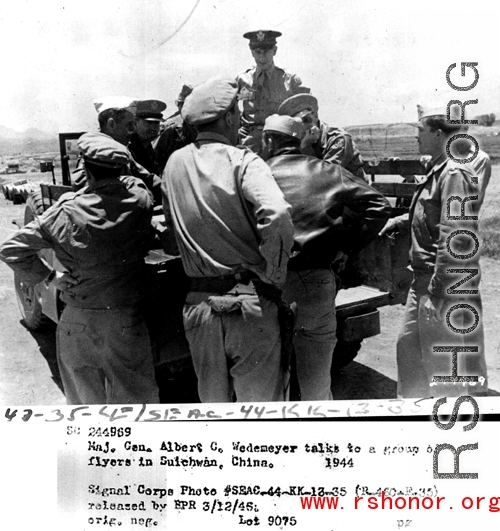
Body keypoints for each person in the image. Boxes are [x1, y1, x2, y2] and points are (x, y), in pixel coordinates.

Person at [0, 132, 159, 404]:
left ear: (85, 170)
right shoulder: (140, 201)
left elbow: (10, 248)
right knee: (136, 406)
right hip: (125, 318)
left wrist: (51, 276)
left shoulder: (64, 210)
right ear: (121, 169)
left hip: (79, 320)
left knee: (85, 410)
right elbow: (140, 183)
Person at [162, 77, 294, 403]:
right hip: (247, 305)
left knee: (214, 413)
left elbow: (170, 227)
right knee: (262, 417)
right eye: (238, 111)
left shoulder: (174, 163)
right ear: (230, 116)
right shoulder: (243, 160)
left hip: (199, 308)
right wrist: (272, 274)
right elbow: (276, 215)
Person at [262, 114, 391, 401]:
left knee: (268, 385)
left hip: (266, 285)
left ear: (268, 140)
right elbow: (378, 205)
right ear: (300, 140)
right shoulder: (326, 170)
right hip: (315, 282)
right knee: (316, 383)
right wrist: (346, 246)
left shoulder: (256, 173)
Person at [387, 104, 488, 398]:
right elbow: (433, 215)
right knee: (408, 352)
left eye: (421, 131)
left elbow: (456, 237)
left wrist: (438, 292)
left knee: (443, 368)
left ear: (440, 134)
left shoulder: (455, 173)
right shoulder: (440, 169)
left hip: (440, 284)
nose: (417, 137)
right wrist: (401, 219)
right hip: (423, 281)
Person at [71, 96, 162, 203]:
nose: (133, 130)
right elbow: (84, 187)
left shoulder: (122, 152)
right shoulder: (93, 153)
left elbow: (149, 179)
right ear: (111, 125)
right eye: (129, 125)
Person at [236, 29, 310, 154]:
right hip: (249, 142)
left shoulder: (290, 80)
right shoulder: (242, 79)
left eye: (266, 51)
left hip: (280, 142)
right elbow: (227, 106)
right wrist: (236, 127)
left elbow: (308, 109)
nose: (262, 57)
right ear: (251, 52)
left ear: (274, 50)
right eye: (257, 52)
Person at [278, 93, 367, 180]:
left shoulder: (338, 139)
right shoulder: (298, 139)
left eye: (305, 120)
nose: (302, 126)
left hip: (353, 192)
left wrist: (306, 147)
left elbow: (326, 177)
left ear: (315, 115)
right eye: (296, 124)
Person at [153, 84, 197, 173]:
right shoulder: (170, 127)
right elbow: (155, 156)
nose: (181, 107)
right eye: (179, 104)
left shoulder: (203, 125)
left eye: (184, 104)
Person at [129, 99, 167, 174]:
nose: (153, 127)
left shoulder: (149, 147)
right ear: (135, 122)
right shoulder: (129, 148)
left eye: (156, 123)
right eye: (149, 122)